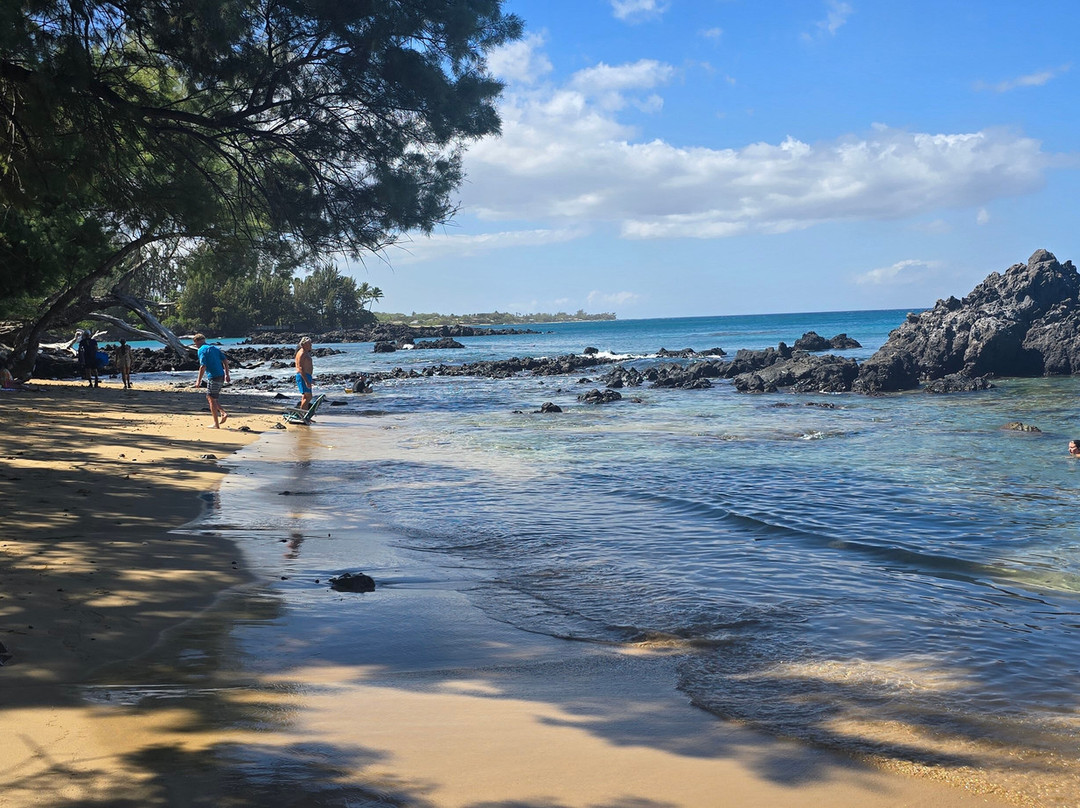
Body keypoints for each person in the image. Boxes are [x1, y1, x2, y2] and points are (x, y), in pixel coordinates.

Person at [193, 334, 230, 428]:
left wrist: (198, 381)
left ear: (197, 342)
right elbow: (225, 360)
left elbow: (202, 366)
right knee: (212, 397)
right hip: (221, 375)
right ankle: (222, 413)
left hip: (213, 376)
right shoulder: (214, 348)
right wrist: (227, 375)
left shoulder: (201, 350)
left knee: (211, 399)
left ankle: (217, 424)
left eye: (195, 343)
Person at [295, 336, 314, 410]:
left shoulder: (305, 352)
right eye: (309, 344)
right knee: (308, 396)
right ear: (303, 345)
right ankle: (303, 414)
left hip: (307, 376)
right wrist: (306, 381)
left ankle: (303, 414)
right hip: (303, 376)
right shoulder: (302, 353)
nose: (311, 345)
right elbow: (300, 368)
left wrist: (310, 379)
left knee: (305, 396)